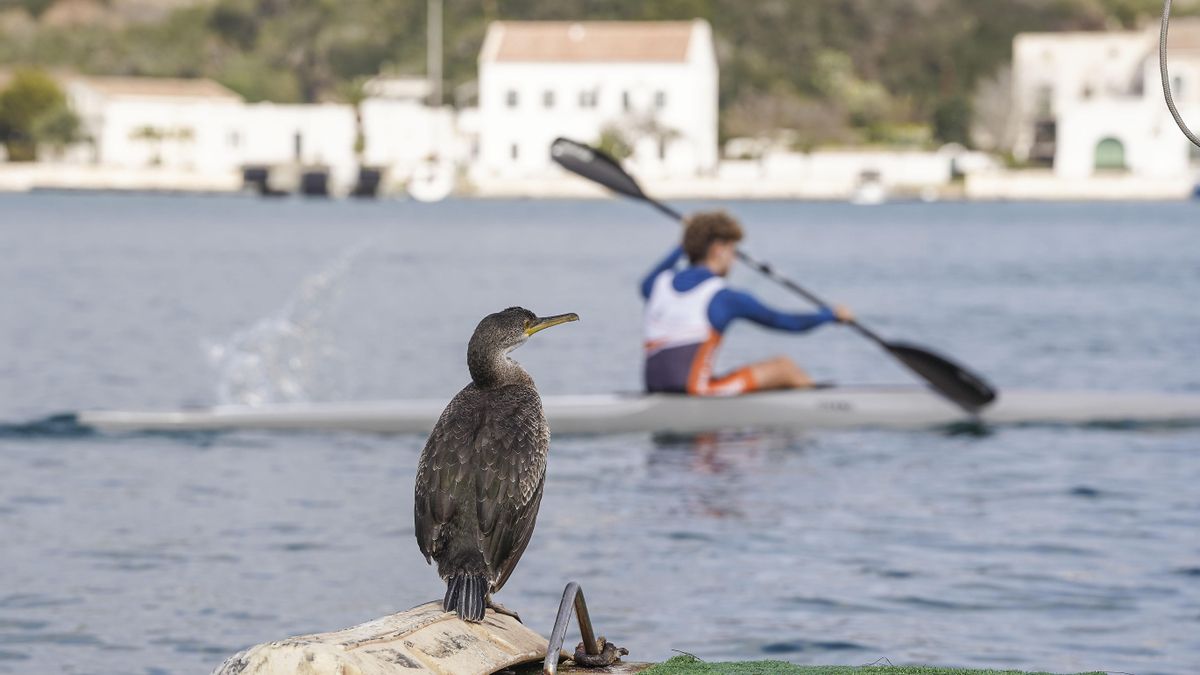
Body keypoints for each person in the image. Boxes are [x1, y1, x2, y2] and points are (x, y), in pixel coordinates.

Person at [640, 210, 852, 396]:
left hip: (654, 389)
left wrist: (683, 243)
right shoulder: (725, 297)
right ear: (718, 249)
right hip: (696, 393)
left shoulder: (658, 283)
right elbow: (785, 322)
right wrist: (829, 315)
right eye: (733, 250)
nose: (734, 260)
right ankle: (824, 412)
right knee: (784, 368)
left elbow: (651, 277)